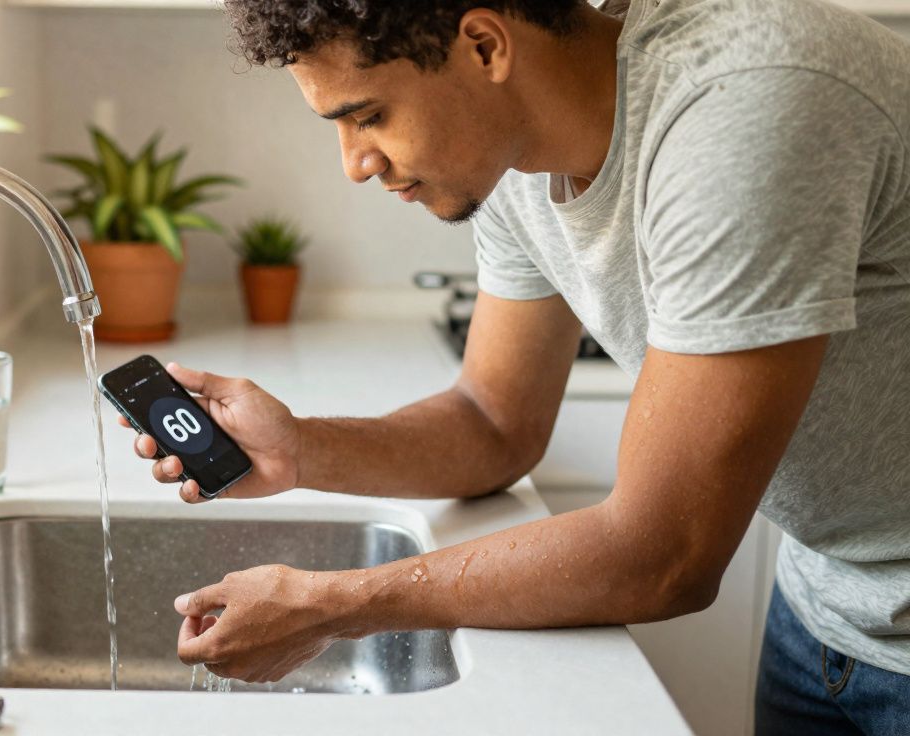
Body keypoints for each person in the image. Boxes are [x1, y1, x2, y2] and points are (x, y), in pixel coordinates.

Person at [116, 1, 910, 732]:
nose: (355, 163)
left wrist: (329, 605)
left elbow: (663, 554)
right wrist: (299, 449)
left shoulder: (746, 107)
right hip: (826, 608)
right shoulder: (515, 161)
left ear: (485, 45)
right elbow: (494, 420)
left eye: (368, 116)